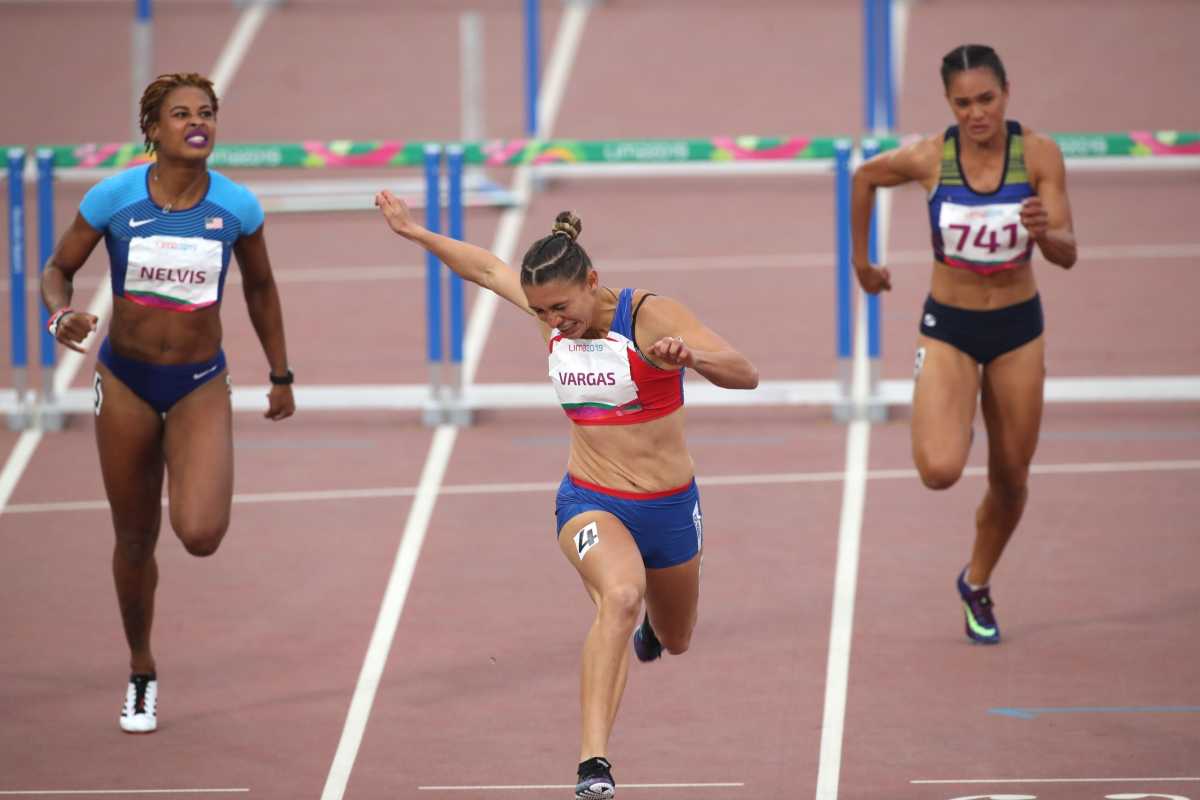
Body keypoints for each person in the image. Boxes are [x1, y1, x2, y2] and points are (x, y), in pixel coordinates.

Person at [375, 194, 757, 799]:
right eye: (541, 311)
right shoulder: (550, 313)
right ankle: (593, 766)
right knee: (621, 596)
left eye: (560, 307)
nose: (553, 322)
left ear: (592, 282)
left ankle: (653, 629)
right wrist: (415, 232)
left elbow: (745, 372)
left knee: (676, 637)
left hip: (669, 507)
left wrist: (694, 359)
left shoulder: (649, 316)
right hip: (590, 499)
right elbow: (485, 268)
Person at [41, 72, 295, 732]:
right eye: (181, 114)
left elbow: (261, 288)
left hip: (198, 383)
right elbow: (57, 269)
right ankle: (141, 670)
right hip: (126, 381)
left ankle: (144, 661)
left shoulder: (235, 207)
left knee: (201, 535)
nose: (196, 122)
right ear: (153, 129)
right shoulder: (114, 198)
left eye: (206, 112)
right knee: (134, 537)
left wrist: (280, 373)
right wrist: (60, 315)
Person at [852, 44, 1077, 645]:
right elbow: (864, 177)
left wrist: (1044, 234)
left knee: (1011, 479)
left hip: (1017, 330)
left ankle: (976, 581)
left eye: (986, 99)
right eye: (963, 103)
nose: (976, 113)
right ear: (949, 104)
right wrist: (862, 264)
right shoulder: (931, 156)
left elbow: (1068, 252)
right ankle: (959, 415)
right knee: (940, 469)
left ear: (1006, 93)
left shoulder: (1038, 155)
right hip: (950, 327)